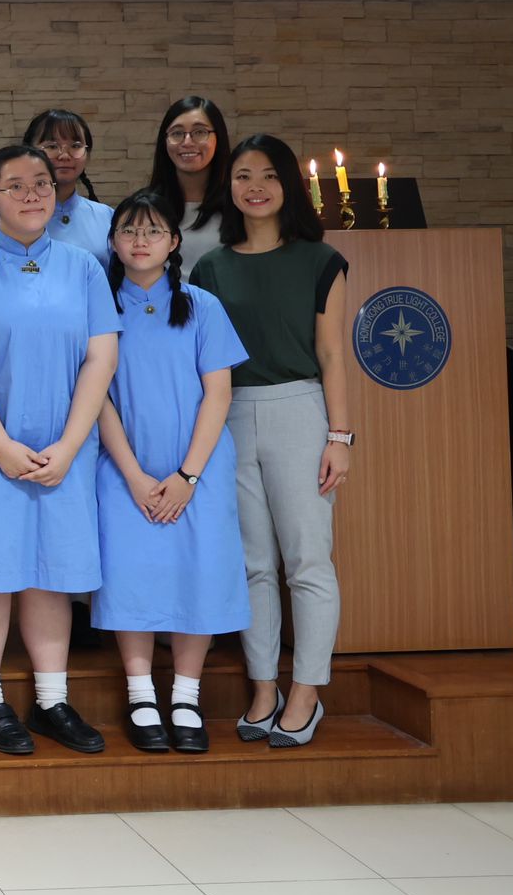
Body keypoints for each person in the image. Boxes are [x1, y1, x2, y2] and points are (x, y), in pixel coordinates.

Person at [0, 145, 120, 757]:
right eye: (15, 185)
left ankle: (51, 700)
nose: (32, 194)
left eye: (41, 183)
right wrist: (1, 444)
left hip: (65, 446)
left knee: (51, 574)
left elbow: (101, 358)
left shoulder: (83, 267)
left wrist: (69, 445)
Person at [190, 133, 352, 748]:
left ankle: (307, 692)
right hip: (228, 414)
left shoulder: (321, 260)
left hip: (300, 410)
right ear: (228, 187)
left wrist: (340, 436)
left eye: (268, 175)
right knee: (252, 563)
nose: (254, 187)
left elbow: (331, 354)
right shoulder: (210, 267)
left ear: (289, 185)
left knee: (307, 560)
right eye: (242, 176)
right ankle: (264, 687)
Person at [94, 189, 250, 755]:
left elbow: (218, 394)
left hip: (197, 469)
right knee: (130, 574)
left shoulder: (202, 306)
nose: (141, 241)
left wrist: (187, 477)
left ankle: (186, 696)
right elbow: (97, 398)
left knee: (197, 572)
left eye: (153, 231)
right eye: (129, 231)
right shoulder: (98, 307)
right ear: (113, 242)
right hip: (124, 468)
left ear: (174, 242)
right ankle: (141, 694)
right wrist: (134, 475)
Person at [148, 96, 233, 275]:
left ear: (218, 138)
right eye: (177, 133)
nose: (187, 142)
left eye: (199, 132)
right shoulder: (147, 206)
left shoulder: (238, 204)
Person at [23, 108, 114, 261]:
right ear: (29, 152)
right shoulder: (15, 217)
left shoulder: (108, 217)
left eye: (76, 146)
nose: (65, 155)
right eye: (52, 146)